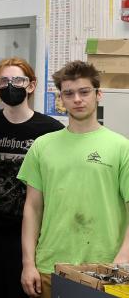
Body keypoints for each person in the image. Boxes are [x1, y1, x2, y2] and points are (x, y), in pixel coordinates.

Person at [19, 60, 129, 298]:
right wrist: (28, 263)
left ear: (98, 94)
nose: (77, 99)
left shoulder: (121, 147)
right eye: (69, 93)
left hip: (105, 270)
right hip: (50, 266)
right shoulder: (42, 146)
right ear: (61, 99)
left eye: (84, 91)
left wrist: (123, 259)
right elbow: (32, 208)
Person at [0, 57, 63, 298]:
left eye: (18, 80)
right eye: (3, 80)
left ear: (31, 86)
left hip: (32, 237)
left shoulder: (51, 130)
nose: (10, 85)